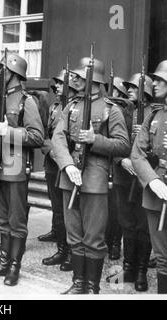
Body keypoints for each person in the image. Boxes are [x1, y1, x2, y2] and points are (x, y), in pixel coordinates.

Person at [52, 57, 130, 294]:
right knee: (73, 233)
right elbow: (57, 137)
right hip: (69, 177)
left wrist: (96, 140)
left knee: (93, 237)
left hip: (95, 179)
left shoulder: (111, 109)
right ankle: (78, 283)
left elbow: (123, 145)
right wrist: (67, 165)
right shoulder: (71, 106)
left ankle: (92, 287)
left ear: (92, 79)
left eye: (79, 76)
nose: (74, 79)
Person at [0, 53, 44, 286]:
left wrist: (11, 132)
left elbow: (37, 136)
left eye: (2, 70)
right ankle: (4, 261)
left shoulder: (28, 101)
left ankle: (14, 266)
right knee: (2, 218)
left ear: (14, 74)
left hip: (15, 170)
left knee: (17, 221)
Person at [105, 73, 154, 291]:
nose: (129, 89)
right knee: (126, 223)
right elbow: (112, 139)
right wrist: (120, 159)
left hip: (145, 179)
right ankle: (128, 269)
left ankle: (142, 271)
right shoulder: (121, 111)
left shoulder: (155, 114)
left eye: (134, 86)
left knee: (143, 225)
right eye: (129, 86)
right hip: (124, 176)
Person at [131, 60, 167, 294]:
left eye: (161, 80)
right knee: (162, 255)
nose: (155, 84)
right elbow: (137, 153)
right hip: (157, 190)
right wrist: (152, 180)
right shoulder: (153, 114)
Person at [41, 69, 78, 272]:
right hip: (52, 164)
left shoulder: (77, 108)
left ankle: (73, 252)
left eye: (61, 83)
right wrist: (52, 152)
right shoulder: (55, 106)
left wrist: (62, 156)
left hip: (69, 166)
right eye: (56, 83)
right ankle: (62, 248)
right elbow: (45, 136)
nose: (56, 87)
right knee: (57, 208)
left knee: (70, 211)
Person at [104, 76, 129, 261]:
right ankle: (106, 241)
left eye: (112, 90)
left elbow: (124, 141)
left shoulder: (123, 111)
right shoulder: (104, 108)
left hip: (118, 167)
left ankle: (115, 244)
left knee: (116, 211)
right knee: (104, 210)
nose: (108, 93)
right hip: (104, 163)